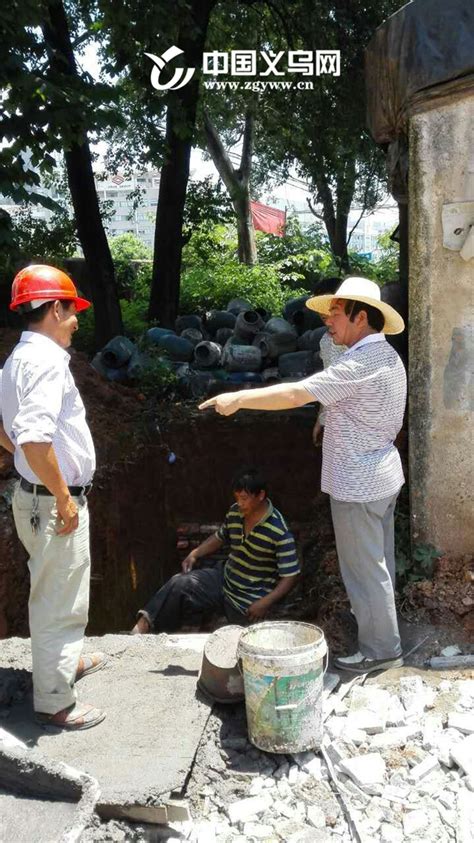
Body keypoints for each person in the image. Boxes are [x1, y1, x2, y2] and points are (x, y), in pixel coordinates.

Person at [200, 277, 407, 675]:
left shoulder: (361, 363)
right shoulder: (386, 357)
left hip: (357, 483)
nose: (327, 320)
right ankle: (383, 634)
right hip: (380, 475)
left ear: (360, 317)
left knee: (364, 571)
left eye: (335, 312)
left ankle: (381, 651)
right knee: (378, 565)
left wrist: (239, 398)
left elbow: (297, 394)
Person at [1, 265, 106, 730]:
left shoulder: (16, 361)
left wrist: (36, 471)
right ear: (55, 308)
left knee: (58, 589)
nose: (76, 321)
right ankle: (55, 701)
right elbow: (36, 439)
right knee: (56, 600)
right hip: (51, 502)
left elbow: (9, 433)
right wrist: (63, 496)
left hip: (32, 497)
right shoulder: (45, 363)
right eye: (72, 312)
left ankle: (64, 663)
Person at [132, 468, 300, 634]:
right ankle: (141, 629)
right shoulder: (236, 512)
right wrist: (195, 553)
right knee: (180, 583)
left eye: (244, 498)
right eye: (237, 498)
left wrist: (265, 603)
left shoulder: (278, 531)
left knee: (238, 641)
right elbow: (220, 537)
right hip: (225, 579)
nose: (240, 503)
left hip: (249, 600)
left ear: (261, 495)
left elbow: (290, 575)